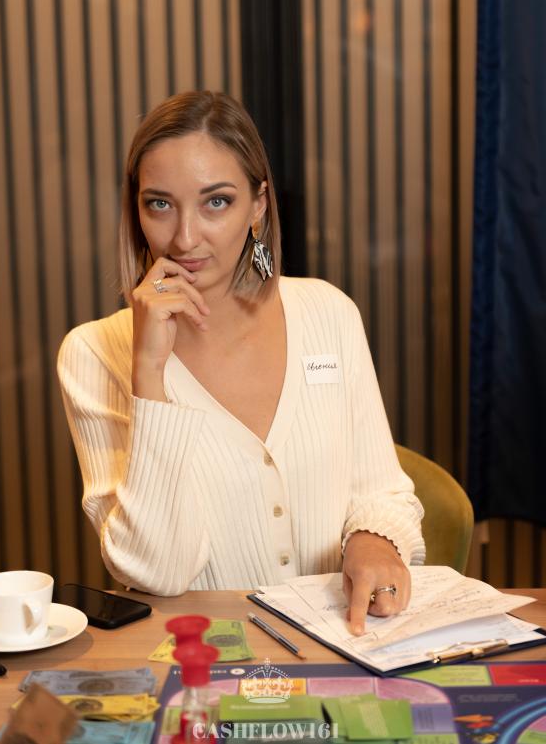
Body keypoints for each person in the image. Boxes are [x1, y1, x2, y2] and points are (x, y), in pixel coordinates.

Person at [58, 90, 425, 634]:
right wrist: (149, 374)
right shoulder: (92, 354)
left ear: (258, 205)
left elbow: (382, 492)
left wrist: (374, 538)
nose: (185, 238)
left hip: (342, 649)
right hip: (198, 662)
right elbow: (157, 572)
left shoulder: (328, 313)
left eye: (216, 202)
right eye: (159, 204)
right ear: (136, 210)